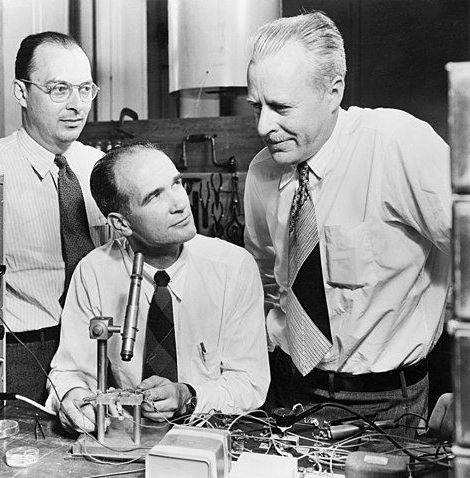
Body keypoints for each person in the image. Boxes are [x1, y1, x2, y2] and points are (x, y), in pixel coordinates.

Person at [244, 11, 451, 436]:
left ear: (333, 91)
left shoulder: (396, 144)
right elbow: (265, 278)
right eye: (256, 106)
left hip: (385, 404)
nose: (264, 126)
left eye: (281, 107)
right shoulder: (262, 172)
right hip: (286, 389)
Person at [45, 143, 270, 434]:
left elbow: (249, 383)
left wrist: (187, 396)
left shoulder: (234, 267)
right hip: (126, 434)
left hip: (207, 432)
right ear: (120, 223)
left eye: (176, 184)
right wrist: (71, 396)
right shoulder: (94, 272)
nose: (179, 203)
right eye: (154, 197)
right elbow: (70, 370)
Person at [0, 32, 112, 403]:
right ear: (22, 93)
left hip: (98, 347)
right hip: (23, 354)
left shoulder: (102, 170)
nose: (77, 105)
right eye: (59, 89)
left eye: (85, 89)